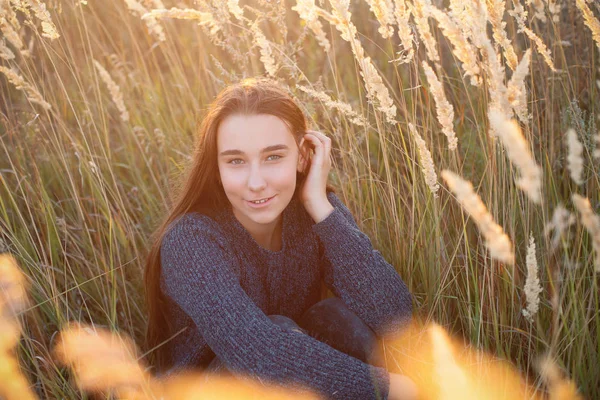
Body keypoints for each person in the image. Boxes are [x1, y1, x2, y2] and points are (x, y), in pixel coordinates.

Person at [143, 77, 417, 400]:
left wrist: (319, 205)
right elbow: (256, 350)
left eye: (273, 157)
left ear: (303, 156)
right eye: (236, 161)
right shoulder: (191, 242)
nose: (256, 182)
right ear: (216, 168)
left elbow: (396, 318)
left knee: (333, 318)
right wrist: (389, 389)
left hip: (288, 385)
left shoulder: (312, 213)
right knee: (279, 330)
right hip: (209, 390)